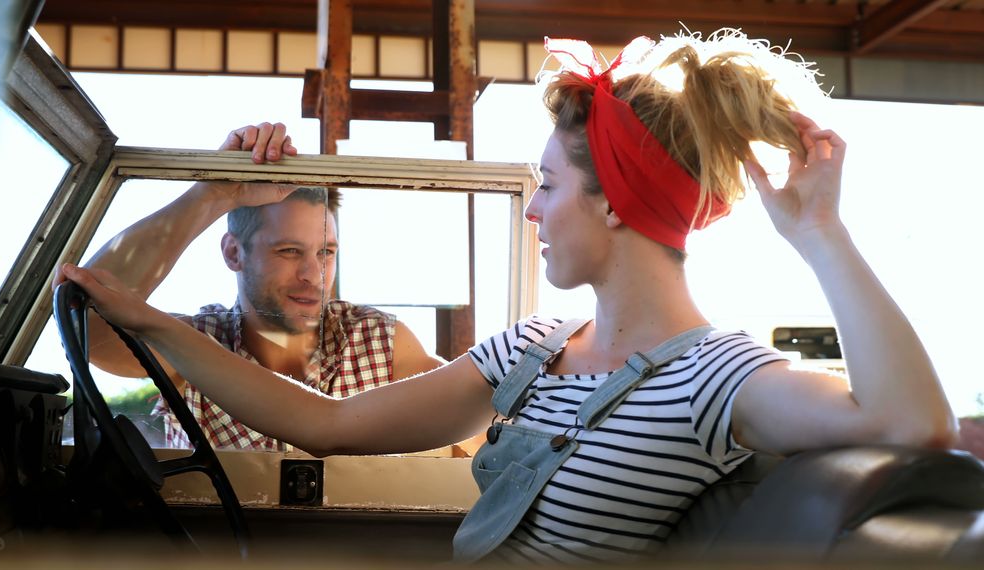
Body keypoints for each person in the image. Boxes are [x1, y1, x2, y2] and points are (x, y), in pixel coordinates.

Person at [57, 30, 957, 563]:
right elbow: (326, 425)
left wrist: (818, 236)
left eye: (549, 187)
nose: (532, 209)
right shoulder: (536, 346)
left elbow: (915, 423)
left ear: (611, 202)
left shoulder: (713, 379)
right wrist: (152, 325)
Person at [83, 122, 444, 451]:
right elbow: (86, 320)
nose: (313, 274)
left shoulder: (382, 342)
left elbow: (488, 424)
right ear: (233, 253)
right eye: (289, 251)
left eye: (325, 252)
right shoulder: (192, 343)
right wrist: (211, 193)